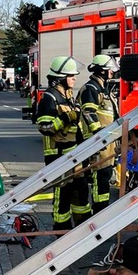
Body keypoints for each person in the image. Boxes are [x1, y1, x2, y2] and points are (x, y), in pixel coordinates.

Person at [34, 56, 90, 230]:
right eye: (71, 75)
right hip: (58, 156)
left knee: (81, 191)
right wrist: (65, 118)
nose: (74, 78)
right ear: (60, 78)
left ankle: (83, 226)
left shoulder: (68, 96)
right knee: (62, 196)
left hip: (74, 155)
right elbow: (44, 126)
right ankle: (61, 229)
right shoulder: (49, 98)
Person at [78, 55, 120, 214]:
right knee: (100, 178)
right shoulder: (91, 89)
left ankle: (102, 210)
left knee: (105, 176)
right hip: (99, 143)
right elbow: (88, 112)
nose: (113, 73)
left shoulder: (103, 89)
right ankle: (99, 212)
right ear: (102, 71)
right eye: (110, 70)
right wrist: (98, 134)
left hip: (108, 142)